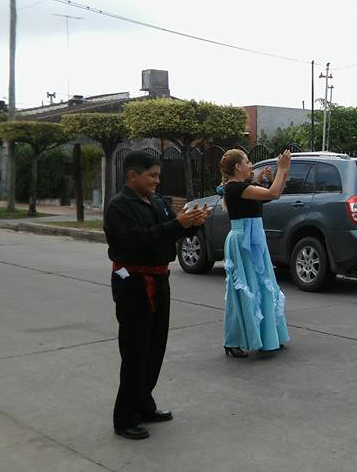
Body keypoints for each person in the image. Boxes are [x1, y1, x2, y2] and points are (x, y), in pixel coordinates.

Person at [104, 151, 210, 440]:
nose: (157, 181)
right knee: (135, 351)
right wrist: (179, 224)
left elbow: (167, 234)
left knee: (155, 348)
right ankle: (124, 416)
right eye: (152, 175)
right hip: (133, 282)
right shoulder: (118, 207)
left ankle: (144, 404)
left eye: (158, 175)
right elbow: (140, 241)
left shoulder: (157, 203)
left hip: (160, 279)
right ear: (132, 176)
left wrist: (194, 223)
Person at [218, 148, 292, 358]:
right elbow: (273, 193)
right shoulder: (234, 188)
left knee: (263, 285)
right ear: (237, 167)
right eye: (248, 162)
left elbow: (274, 193)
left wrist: (282, 172)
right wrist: (282, 168)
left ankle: (268, 337)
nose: (251, 165)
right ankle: (233, 340)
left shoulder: (244, 187)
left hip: (254, 240)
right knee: (243, 289)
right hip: (243, 241)